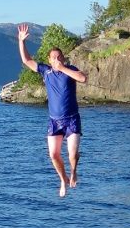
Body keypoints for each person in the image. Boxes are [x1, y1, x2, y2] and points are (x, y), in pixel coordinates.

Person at [17, 23, 88, 198]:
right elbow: (27, 61)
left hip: (72, 119)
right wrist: (21, 42)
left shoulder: (69, 70)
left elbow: (83, 78)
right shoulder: (46, 71)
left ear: (63, 58)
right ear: (49, 60)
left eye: (59, 57)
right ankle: (63, 180)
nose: (56, 59)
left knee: (72, 154)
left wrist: (63, 68)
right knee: (54, 155)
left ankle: (73, 171)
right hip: (54, 121)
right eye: (53, 57)